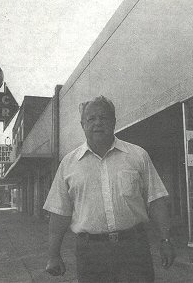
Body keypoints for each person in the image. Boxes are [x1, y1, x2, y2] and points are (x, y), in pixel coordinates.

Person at [43, 96, 175, 282]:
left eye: (104, 118)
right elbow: (59, 213)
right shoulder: (68, 164)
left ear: (113, 122)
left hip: (134, 248)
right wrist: (53, 255)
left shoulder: (137, 156)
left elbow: (156, 200)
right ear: (82, 124)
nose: (98, 123)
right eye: (91, 119)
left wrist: (166, 240)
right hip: (91, 253)